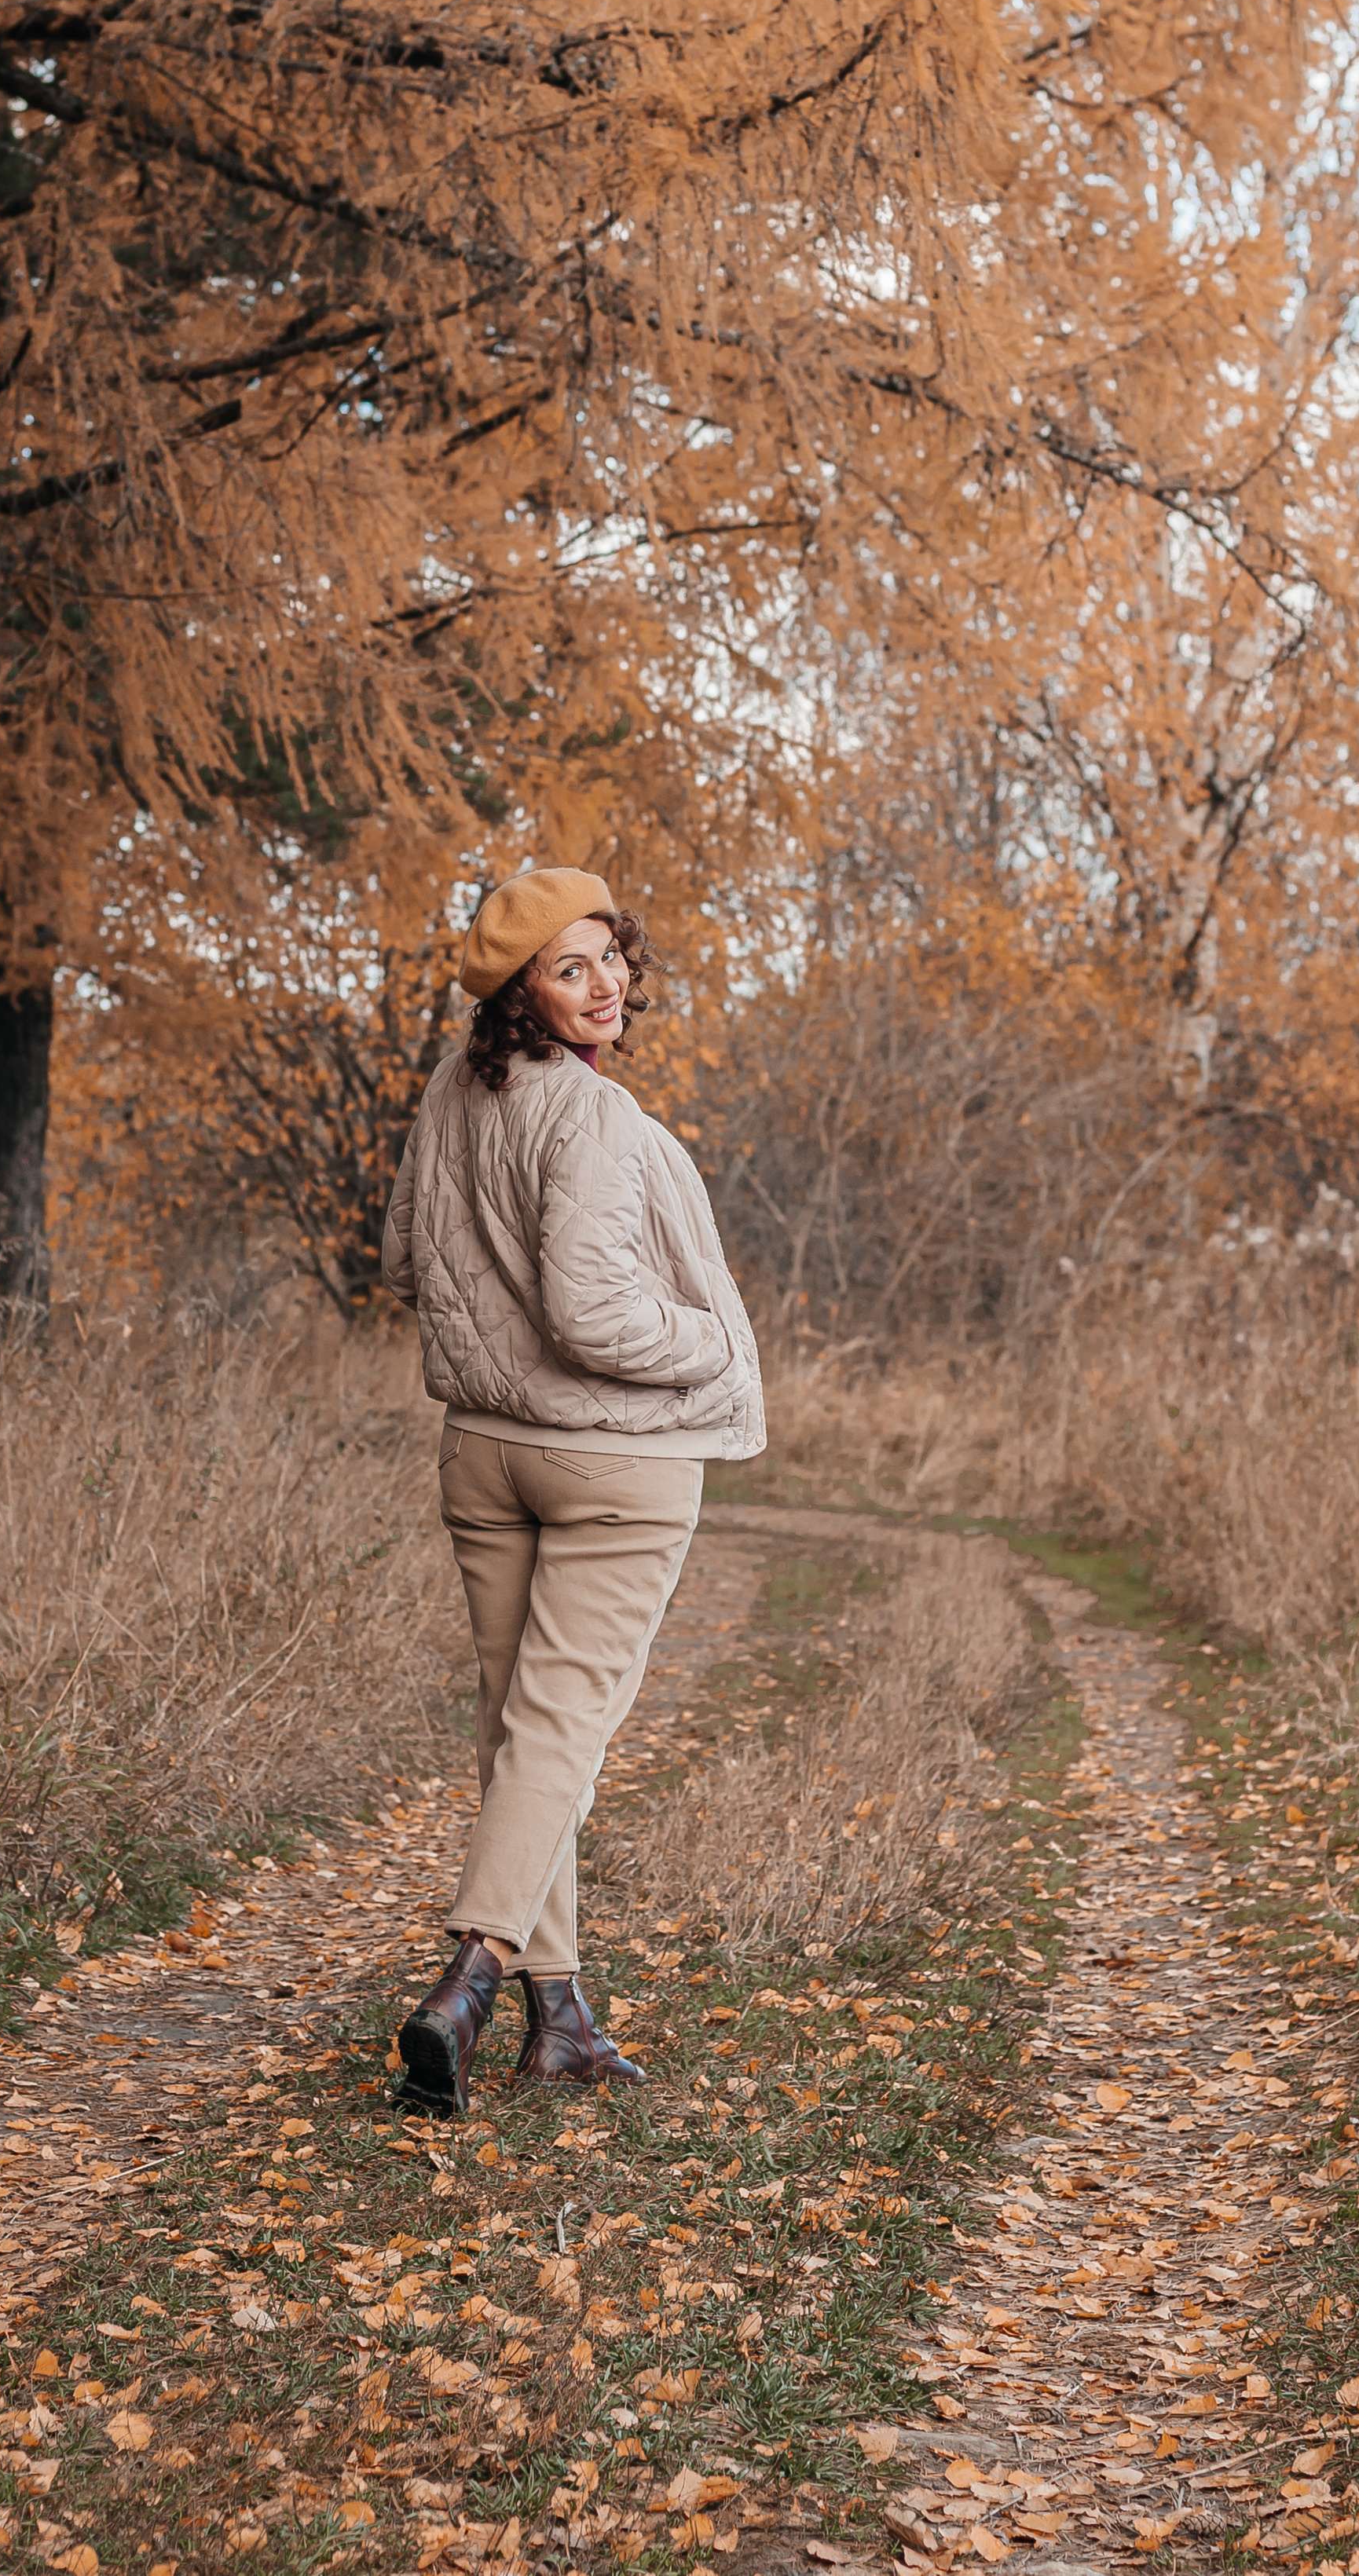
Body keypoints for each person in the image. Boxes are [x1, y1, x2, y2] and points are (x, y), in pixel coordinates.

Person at [379, 866, 764, 2113]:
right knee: (559, 1732)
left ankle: (562, 2019)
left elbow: (403, 1256)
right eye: (569, 968)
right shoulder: (592, 1120)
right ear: (520, 991)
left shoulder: (452, 1092)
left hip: (484, 1449)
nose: (604, 987)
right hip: (612, 1462)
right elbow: (595, 1312)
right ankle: (472, 1977)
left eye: (610, 959)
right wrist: (714, 1340)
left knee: (519, 1734)